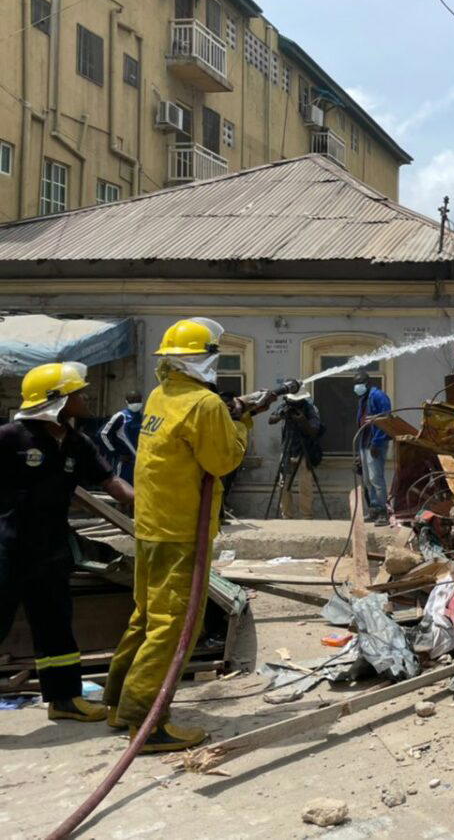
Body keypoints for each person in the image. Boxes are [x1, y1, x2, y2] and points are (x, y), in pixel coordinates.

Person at [103, 317, 252, 753]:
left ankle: (119, 704)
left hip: (152, 527)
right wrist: (242, 423)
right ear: (204, 360)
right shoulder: (203, 405)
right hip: (182, 530)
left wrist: (228, 413)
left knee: (146, 618)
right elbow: (223, 460)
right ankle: (148, 724)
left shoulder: (161, 394)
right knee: (173, 626)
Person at [0, 362, 134, 724]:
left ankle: (64, 699)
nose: (84, 397)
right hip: (7, 548)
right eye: (77, 393)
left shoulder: (77, 443)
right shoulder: (9, 437)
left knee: (55, 625)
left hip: (51, 549)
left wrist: (161, 501)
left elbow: (114, 487)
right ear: (56, 400)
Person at [267, 388, 323, 519]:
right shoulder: (285, 406)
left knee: (305, 485)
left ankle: (306, 515)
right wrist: (281, 415)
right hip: (287, 448)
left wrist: (303, 421)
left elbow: (315, 431)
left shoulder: (310, 409)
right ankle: (286, 515)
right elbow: (271, 420)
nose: (293, 404)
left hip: (305, 450)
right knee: (283, 484)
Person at [354, 372, 391, 526]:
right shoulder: (363, 399)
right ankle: (374, 510)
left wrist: (377, 443)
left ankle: (383, 512)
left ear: (367, 383)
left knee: (376, 478)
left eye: (359, 383)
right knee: (368, 480)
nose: (356, 387)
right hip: (364, 443)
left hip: (375, 444)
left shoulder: (378, 396)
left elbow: (385, 420)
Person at [100, 390, 143, 484]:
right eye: (132, 400)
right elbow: (103, 434)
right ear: (126, 401)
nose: (135, 403)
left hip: (140, 463)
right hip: (125, 463)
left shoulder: (142, 417)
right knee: (122, 488)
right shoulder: (121, 416)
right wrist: (115, 453)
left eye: (138, 400)